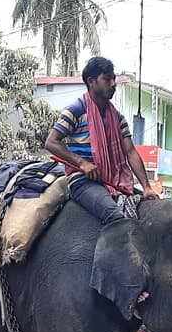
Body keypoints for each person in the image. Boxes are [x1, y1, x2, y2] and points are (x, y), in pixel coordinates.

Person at [44, 56, 157, 226]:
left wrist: (147, 187)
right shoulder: (75, 111)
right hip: (83, 181)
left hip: (114, 181)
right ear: (91, 81)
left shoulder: (118, 119)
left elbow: (130, 152)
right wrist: (82, 163)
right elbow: (51, 142)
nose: (113, 84)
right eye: (106, 79)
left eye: (114, 78)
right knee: (116, 217)